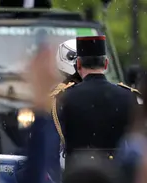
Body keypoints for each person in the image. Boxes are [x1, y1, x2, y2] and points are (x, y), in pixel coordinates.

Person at [53, 35, 140, 171]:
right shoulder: (127, 96)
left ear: (78, 64)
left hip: (77, 178)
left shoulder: (64, 97)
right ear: (106, 64)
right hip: (117, 178)